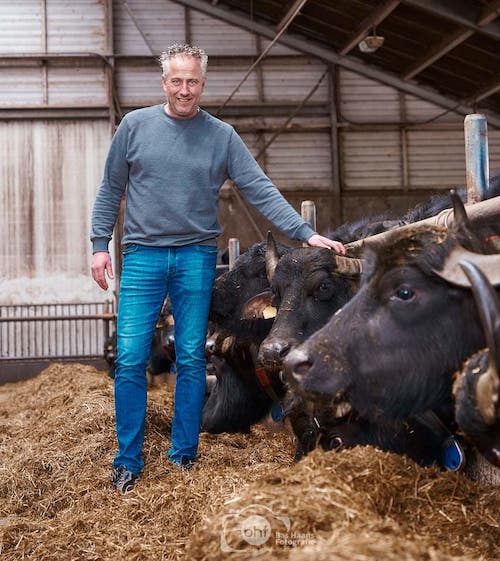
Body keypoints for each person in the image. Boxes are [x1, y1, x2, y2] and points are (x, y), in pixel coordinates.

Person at [90, 43, 345, 493]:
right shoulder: (134, 127)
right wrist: (98, 245)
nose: (184, 90)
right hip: (143, 256)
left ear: (202, 83)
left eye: (192, 81)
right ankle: (128, 460)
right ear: (163, 82)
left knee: (191, 357)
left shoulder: (221, 135)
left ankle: (183, 455)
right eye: (176, 81)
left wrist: (305, 234)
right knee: (130, 358)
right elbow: (110, 189)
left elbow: (258, 188)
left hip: (195, 257)